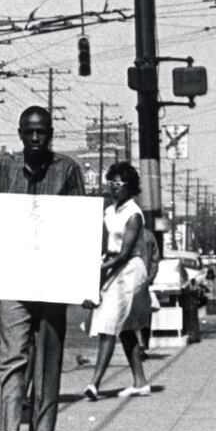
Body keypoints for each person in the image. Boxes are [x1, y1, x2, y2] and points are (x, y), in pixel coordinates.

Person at [0, 105, 87, 431]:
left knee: (48, 358)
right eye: (29, 132)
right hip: (13, 275)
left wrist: (82, 279)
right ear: (19, 133)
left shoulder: (68, 169)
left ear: (50, 134)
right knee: (12, 355)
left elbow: (80, 226)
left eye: (41, 132)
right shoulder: (3, 168)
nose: (35, 139)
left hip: (52, 278)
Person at [83, 162, 157, 400]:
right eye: (110, 183)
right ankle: (140, 381)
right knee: (124, 329)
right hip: (112, 267)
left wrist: (100, 270)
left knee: (108, 324)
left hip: (129, 272)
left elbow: (124, 253)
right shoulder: (109, 211)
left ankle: (94, 384)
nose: (113, 188)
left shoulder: (133, 214)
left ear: (130, 187)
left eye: (118, 184)